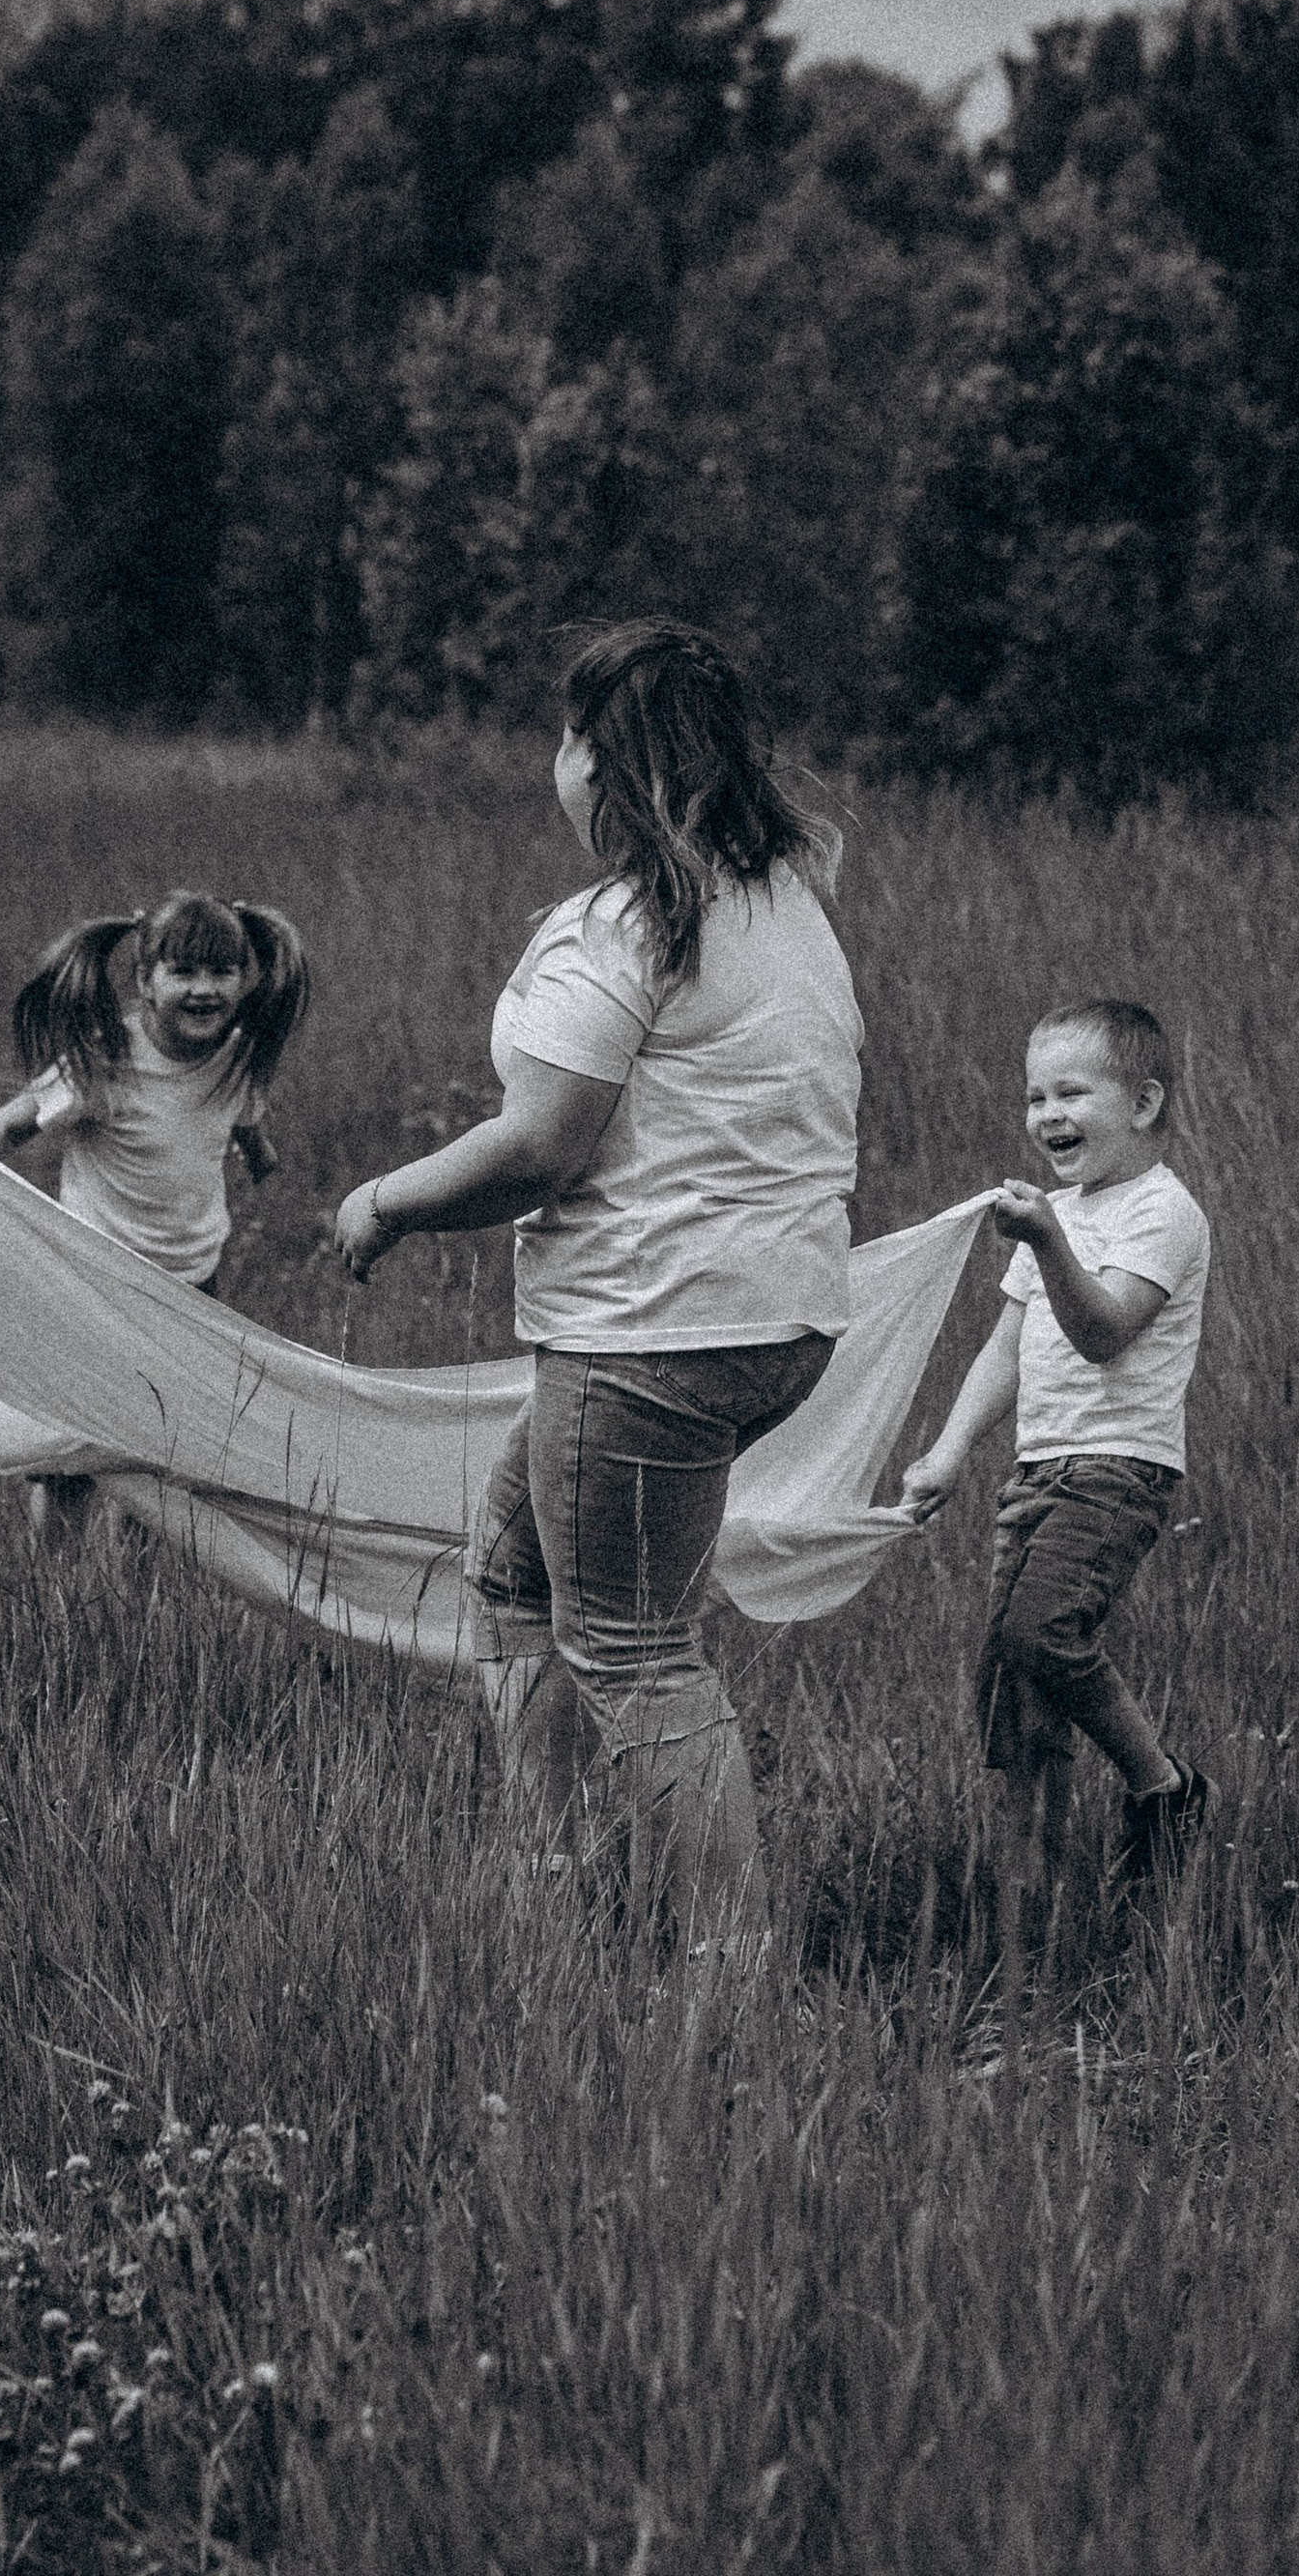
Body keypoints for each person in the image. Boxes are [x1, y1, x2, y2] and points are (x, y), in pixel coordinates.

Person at [333, 619, 861, 1971]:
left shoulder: (624, 928)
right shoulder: (783, 907)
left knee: (634, 1651)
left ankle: (733, 1970)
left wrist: (387, 1201)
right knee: (513, 1573)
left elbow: (540, 1146)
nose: (554, 765)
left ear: (607, 770)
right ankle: (558, 1882)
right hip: (774, 1324)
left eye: (570, 739)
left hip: (648, 1339)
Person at [898, 999, 1212, 1915]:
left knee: (1044, 1635)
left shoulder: (1163, 1212)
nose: (1047, 1115)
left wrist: (1046, 1238)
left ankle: (1164, 1787)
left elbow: (1106, 1331)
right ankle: (1029, 1906)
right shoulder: (1064, 1213)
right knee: (1014, 1688)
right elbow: (1008, 1346)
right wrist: (950, 1452)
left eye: (1073, 1092)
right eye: (1035, 1097)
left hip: (1119, 1470)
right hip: (1039, 1472)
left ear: (1144, 1103)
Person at [0, 890, 309, 1534]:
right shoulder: (105, 1061)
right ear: (145, 982)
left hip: (191, 1288)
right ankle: (59, 1587)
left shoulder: (237, 1055)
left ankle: (131, 1600)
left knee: (167, 1455)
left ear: (244, 979)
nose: (205, 989)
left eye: (222, 972)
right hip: (95, 1287)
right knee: (70, 1455)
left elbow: (240, 1114)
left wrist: (261, 1155)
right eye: (183, 972)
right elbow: (2, 1130)